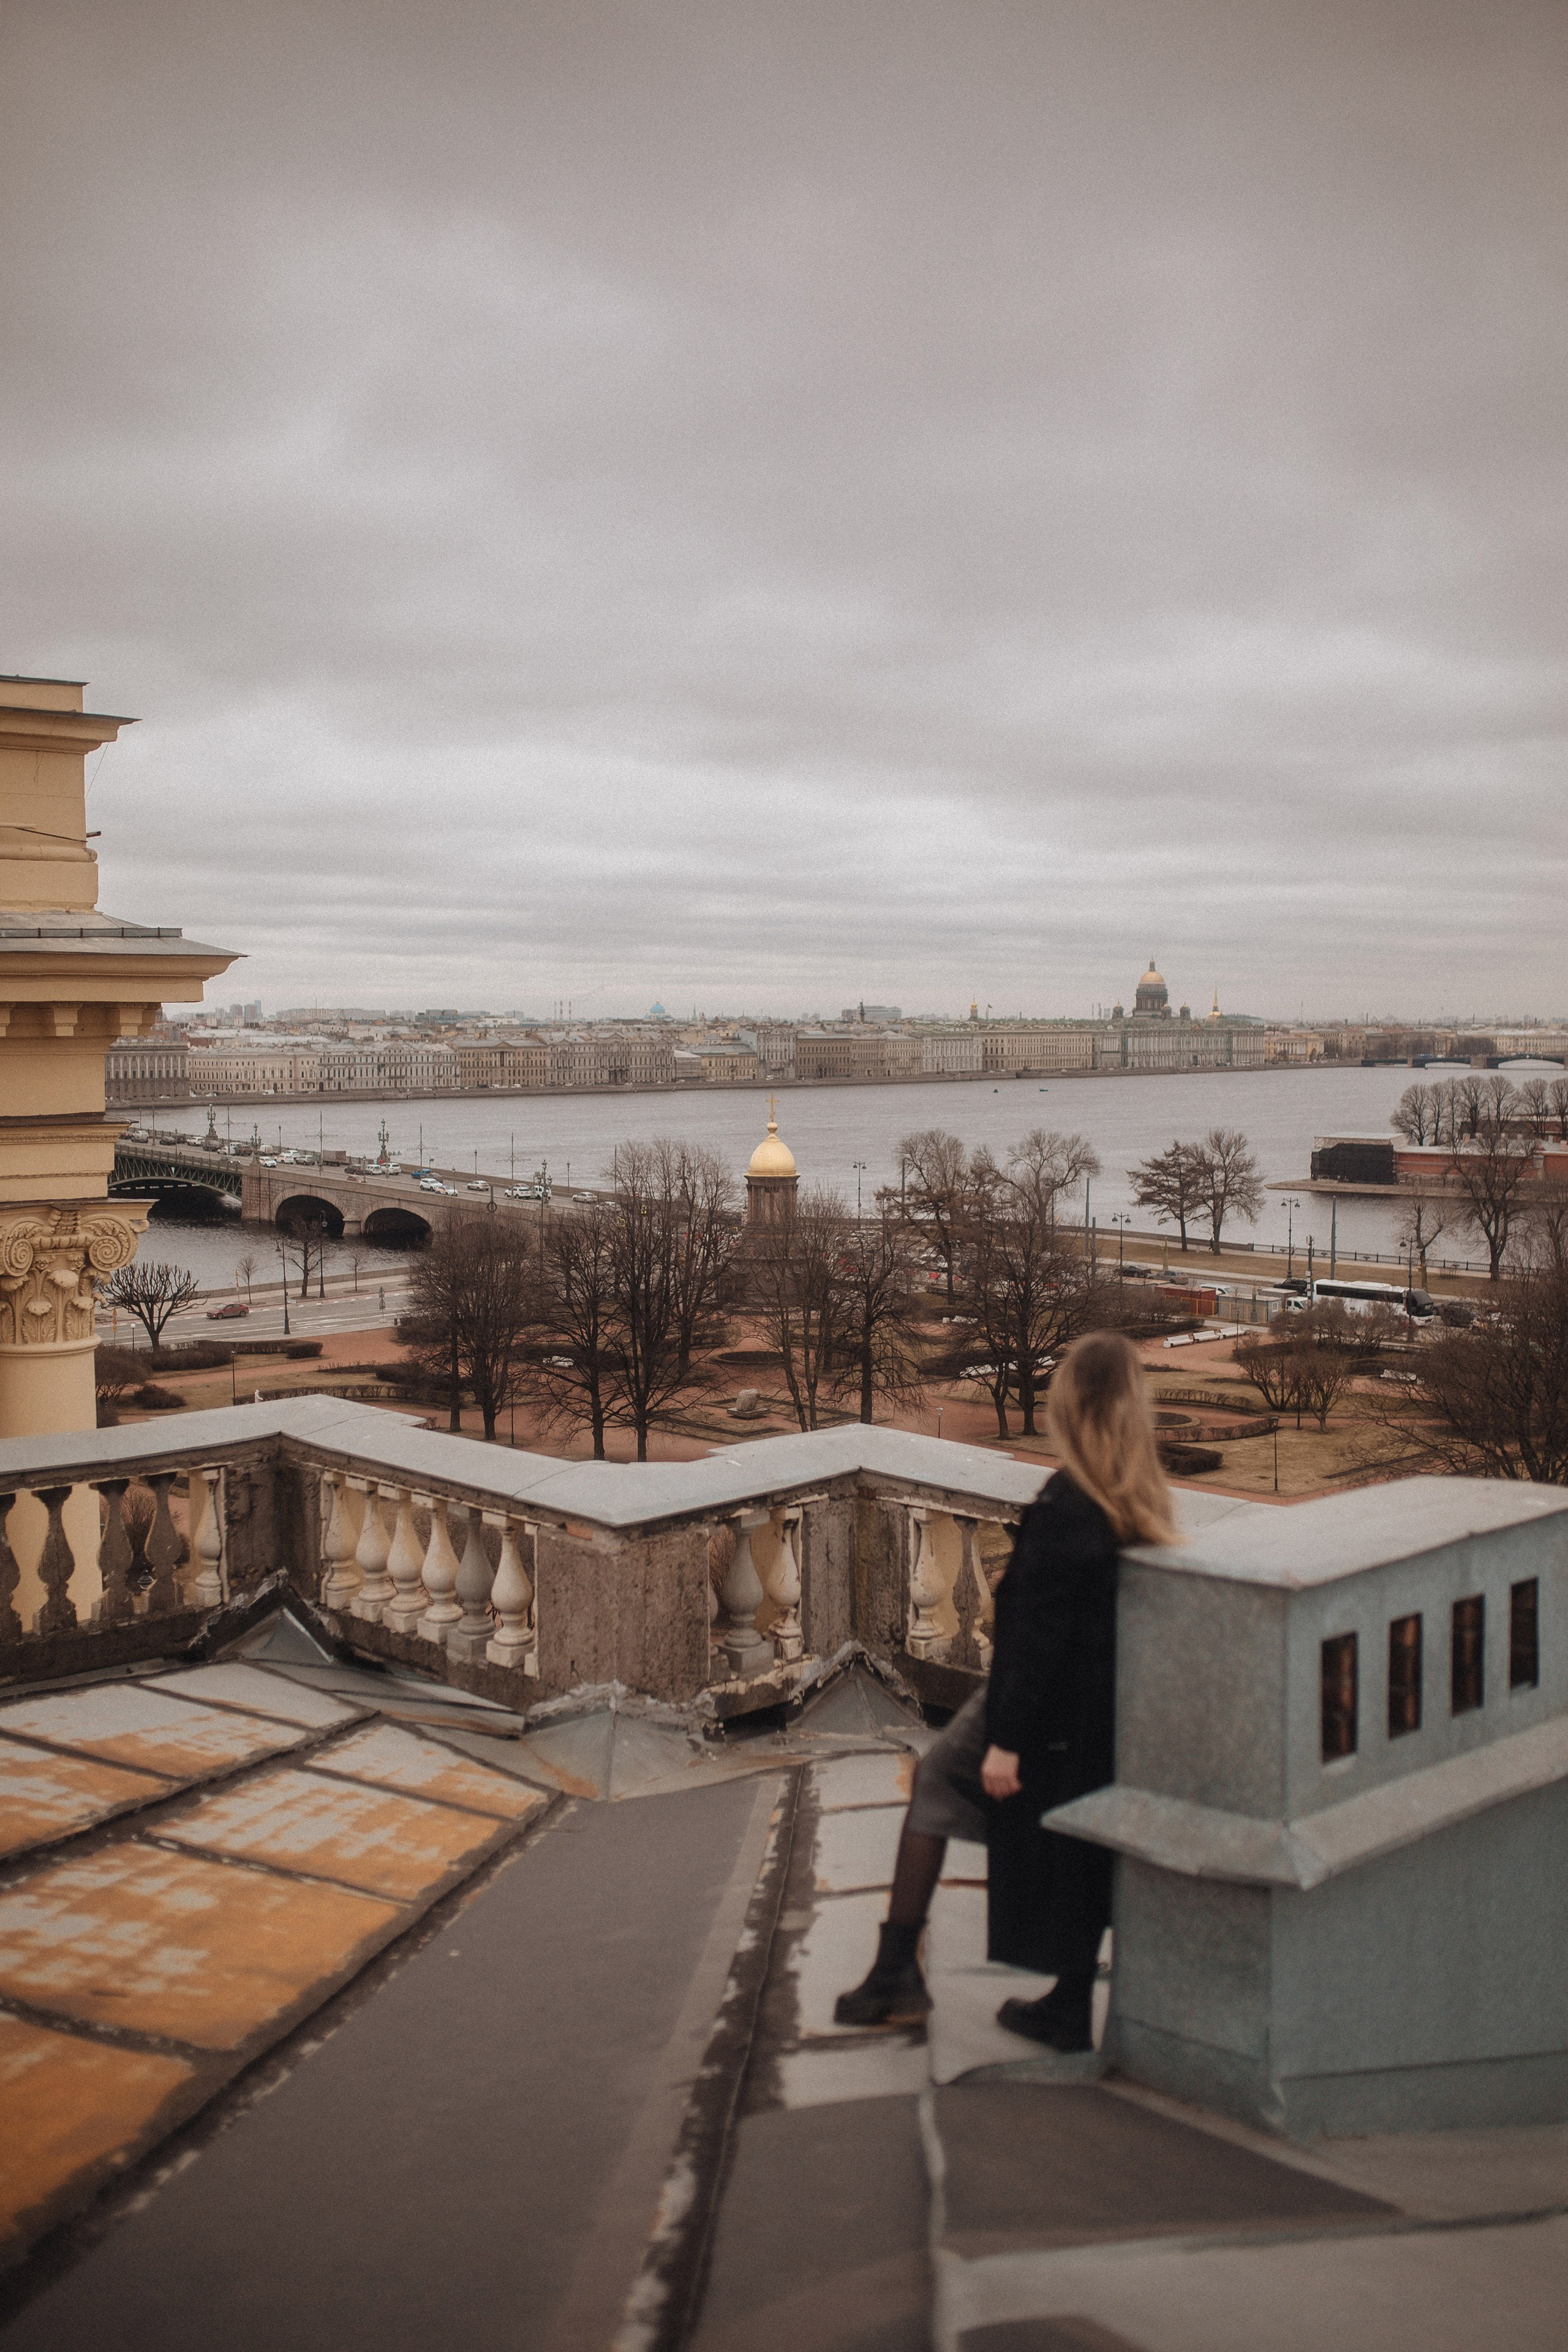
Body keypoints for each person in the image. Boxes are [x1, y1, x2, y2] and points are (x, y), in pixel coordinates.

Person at [833, 1329, 1178, 2051]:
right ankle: (1067, 2004)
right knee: (1082, 1846)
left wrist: (1007, 1744)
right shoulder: (1140, 1500)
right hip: (1099, 1715)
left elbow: (1036, 1641)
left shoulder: (1067, 1504)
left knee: (933, 1783)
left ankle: (895, 1972)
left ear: (1071, 1406)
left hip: (1035, 1711)